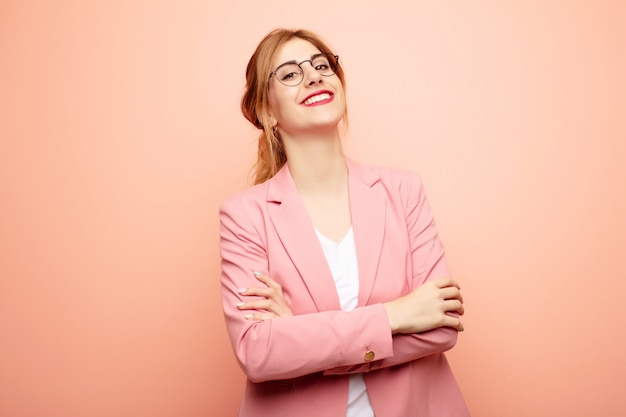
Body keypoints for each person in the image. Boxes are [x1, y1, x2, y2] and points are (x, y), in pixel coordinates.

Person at [219, 28, 470, 417]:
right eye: (289, 73)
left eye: (322, 65)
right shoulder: (245, 215)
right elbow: (258, 352)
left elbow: (441, 325)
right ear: (266, 112)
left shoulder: (403, 190)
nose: (314, 76)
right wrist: (396, 315)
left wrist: (302, 337)